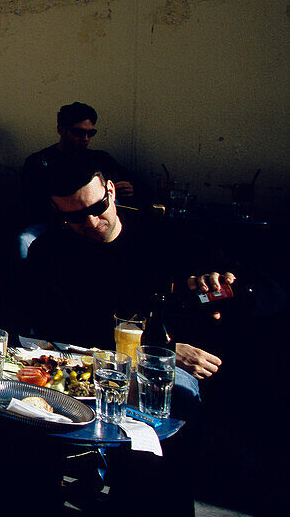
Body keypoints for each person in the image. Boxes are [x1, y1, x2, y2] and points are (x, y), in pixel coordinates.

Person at [21, 153, 228, 381]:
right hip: (97, 367)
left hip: (184, 367)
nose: (92, 222)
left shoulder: (163, 235)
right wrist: (156, 351)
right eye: (76, 216)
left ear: (111, 191)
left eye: (98, 207)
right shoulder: (48, 251)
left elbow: (258, 288)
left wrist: (220, 283)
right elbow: (60, 329)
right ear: (56, 210)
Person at [19, 102, 133, 258]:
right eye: (78, 132)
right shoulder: (39, 162)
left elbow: (139, 188)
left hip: (99, 226)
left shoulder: (100, 159)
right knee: (25, 240)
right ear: (61, 130)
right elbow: (28, 203)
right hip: (53, 223)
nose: (85, 138)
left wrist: (129, 189)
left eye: (90, 133)